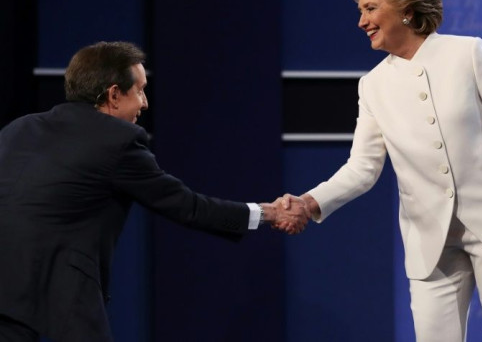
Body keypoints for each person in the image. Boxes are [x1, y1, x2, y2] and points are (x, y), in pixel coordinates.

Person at [280, 0, 482, 341]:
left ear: (406, 9)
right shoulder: (373, 86)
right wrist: (310, 203)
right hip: (430, 238)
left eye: (371, 8)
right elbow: (362, 168)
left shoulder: (467, 53)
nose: (362, 21)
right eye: (361, 11)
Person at [0, 41, 308, 342]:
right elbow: (189, 207)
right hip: (58, 288)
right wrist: (269, 212)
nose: (145, 103)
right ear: (114, 95)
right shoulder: (117, 140)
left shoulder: (19, 129)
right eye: (140, 90)